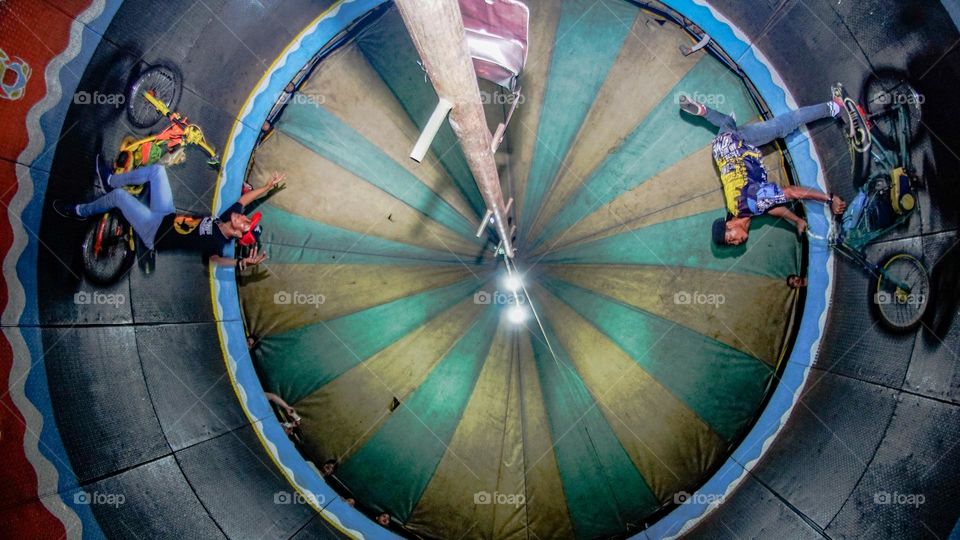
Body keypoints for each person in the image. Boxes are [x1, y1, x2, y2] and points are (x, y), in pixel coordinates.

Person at [678, 94, 848, 246]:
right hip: (721, 150)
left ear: (729, 224)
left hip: (737, 145)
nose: (736, 243)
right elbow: (771, 208)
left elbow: (790, 192)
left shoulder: (751, 203)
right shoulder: (735, 209)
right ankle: (703, 111)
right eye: (732, 243)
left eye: (731, 238)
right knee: (727, 123)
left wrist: (829, 199)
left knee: (784, 125)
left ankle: (834, 106)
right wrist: (797, 220)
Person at [53, 157, 283, 268]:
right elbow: (244, 199)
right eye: (246, 217)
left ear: (239, 235)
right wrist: (267, 187)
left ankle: (80, 211)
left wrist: (242, 263)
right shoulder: (226, 219)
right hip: (166, 214)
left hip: (153, 234)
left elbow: (215, 260)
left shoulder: (216, 242)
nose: (243, 217)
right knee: (157, 171)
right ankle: (111, 179)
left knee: (119, 198)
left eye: (245, 224)